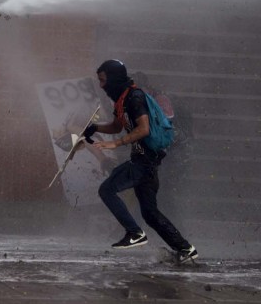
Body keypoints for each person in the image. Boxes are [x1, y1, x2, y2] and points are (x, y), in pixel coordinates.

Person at [83, 59, 198, 263]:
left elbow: (143, 129)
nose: (101, 85)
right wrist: (94, 128)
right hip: (145, 161)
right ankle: (185, 249)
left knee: (107, 189)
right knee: (150, 213)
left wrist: (116, 144)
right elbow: (116, 126)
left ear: (114, 79)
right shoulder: (122, 100)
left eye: (103, 80)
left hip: (144, 161)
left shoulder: (135, 98)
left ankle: (134, 233)